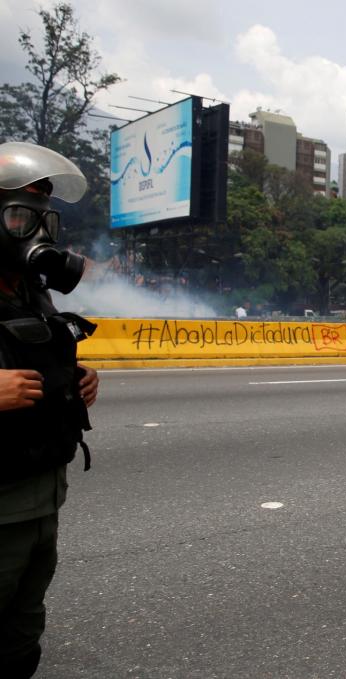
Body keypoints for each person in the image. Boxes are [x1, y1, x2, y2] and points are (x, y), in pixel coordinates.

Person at [0, 141, 100, 678]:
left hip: (40, 495)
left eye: (44, 221)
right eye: (19, 217)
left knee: (21, 633)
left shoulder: (30, 293)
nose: (35, 235)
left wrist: (78, 379)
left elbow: (38, 354)